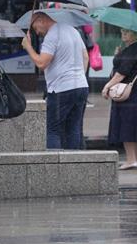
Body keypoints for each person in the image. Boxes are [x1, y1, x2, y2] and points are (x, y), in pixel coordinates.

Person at [22, 12, 89, 149]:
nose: (37, 32)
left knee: (53, 129)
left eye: (35, 27)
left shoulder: (52, 36)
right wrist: (78, 76)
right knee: (73, 128)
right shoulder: (73, 30)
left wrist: (28, 47)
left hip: (61, 89)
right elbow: (85, 57)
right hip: (81, 86)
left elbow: (41, 63)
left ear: (41, 20)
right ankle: (72, 165)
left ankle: (54, 166)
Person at [102, 29, 137, 170]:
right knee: (135, 124)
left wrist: (107, 86)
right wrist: (119, 55)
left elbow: (122, 73)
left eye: (127, 32)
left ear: (136, 33)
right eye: (122, 31)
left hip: (129, 92)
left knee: (127, 124)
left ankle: (130, 160)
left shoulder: (134, 49)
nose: (123, 34)